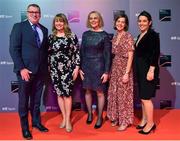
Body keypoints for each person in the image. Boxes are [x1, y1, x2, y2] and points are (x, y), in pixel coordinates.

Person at [9, 4, 49, 140]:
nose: (34, 14)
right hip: (25, 71)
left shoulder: (44, 29)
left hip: (41, 72)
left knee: (37, 100)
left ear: (40, 14)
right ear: (27, 13)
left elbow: (43, 51)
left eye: (37, 12)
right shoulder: (18, 27)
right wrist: (21, 68)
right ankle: (25, 127)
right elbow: (13, 49)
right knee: (24, 100)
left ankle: (36, 122)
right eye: (31, 12)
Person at [48, 13, 80, 133]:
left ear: (65, 22)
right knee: (59, 94)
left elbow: (77, 52)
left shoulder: (71, 36)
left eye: (61, 21)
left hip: (68, 70)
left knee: (67, 94)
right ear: (54, 23)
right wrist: (49, 67)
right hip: (55, 70)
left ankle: (68, 121)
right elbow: (49, 53)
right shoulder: (51, 37)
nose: (59, 23)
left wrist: (76, 67)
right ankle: (64, 117)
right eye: (56, 21)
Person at [79, 11, 112, 129]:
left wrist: (107, 72)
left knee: (99, 92)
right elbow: (81, 52)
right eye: (91, 18)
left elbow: (107, 55)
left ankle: (99, 117)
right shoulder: (85, 34)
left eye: (95, 18)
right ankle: (89, 114)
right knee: (87, 91)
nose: (93, 20)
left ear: (99, 20)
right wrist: (80, 68)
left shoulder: (105, 35)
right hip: (86, 67)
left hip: (99, 67)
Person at [107, 14, 134, 131]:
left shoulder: (128, 36)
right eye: (118, 21)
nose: (120, 24)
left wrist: (127, 73)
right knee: (115, 93)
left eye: (123, 22)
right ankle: (116, 117)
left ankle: (124, 121)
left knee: (124, 96)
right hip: (115, 68)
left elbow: (131, 56)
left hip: (124, 68)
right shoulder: (115, 35)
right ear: (115, 22)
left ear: (126, 24)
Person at [134, 11, 160, 134]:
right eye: (140, 21)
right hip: (140, 70)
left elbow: (155, 54)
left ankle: (150, 124)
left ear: (150, 22)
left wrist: (151, 70)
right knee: (143, 97)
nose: (141, 23)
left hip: (147, 70)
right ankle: (144, 120)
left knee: (146, 98)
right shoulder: (140, 35)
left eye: (144, 21)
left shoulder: (153, 35)